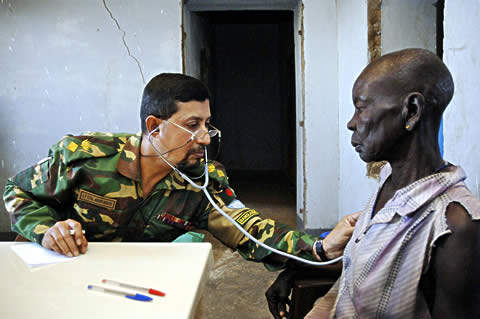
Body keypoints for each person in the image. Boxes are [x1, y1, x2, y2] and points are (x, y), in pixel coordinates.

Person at [3, 73, 358, 273]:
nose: (205, 137)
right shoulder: (87, 157)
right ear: (154, 126)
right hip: (67, 270)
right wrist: (46, 229)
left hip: (133, 286)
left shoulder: (202, 182)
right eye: (193, 125)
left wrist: (321, 247)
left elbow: (248, 229)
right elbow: (16, 191)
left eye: (207, 124)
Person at [267, 48, 480, 319]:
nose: (351, 123)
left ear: (411, 111)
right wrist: (297, 270)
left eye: (361, 108)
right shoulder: (389, 183)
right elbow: (367, 266)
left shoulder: (455, 224)